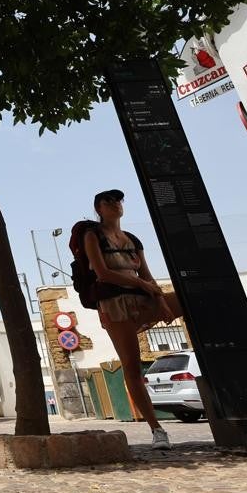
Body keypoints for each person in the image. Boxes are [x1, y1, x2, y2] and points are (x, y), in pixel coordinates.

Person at [85, 189, 182, 450]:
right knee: (131, 365)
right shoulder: (92, 236)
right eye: (108, 201)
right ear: (99, 208)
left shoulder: (132, 239)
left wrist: (161, 302)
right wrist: (139, 282)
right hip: (115, 304)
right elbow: (103, 273)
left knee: (184, 300)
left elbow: (148, 275)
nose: (115, 204)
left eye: (118, 200)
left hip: (141, 298)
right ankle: (157, 429)